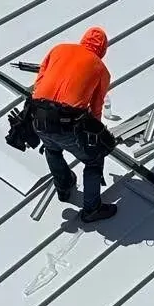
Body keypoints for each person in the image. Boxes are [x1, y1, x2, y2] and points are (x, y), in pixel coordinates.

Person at [28, 27, 117, 225]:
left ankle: (64, 187)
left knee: (52, 149)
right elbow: (96, 107)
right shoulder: (100, 69)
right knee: (93, 160)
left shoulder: (58, 49)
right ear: (103, 49)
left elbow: (39, 80)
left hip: (37, 115)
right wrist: (96, 134)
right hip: (66, 123)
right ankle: (92, 209)